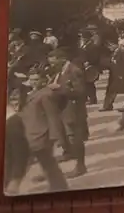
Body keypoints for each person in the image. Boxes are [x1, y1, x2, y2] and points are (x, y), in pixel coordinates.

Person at [12, 69, 69, 193]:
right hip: (31, 131)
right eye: (32, 80)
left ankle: (59, 187)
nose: (34, 82)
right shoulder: (33, 92)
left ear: (43, 80)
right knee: (45, 162)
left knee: (47, 163)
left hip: (41, 134)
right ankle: (57, 185)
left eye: (36, 80)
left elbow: (53, 116)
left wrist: (55, 137)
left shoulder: (46, 95)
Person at [47, 48, 88, 178]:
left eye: (54, 63)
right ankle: (69, 153)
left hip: (74, 110)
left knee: (76, 137)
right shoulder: (62, 70)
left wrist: (59, 89)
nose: (52, 65)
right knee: (65, 135)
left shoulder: (75, 71)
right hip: (64, 108)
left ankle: (80, 166)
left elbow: (80, 92)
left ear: (62, 60)